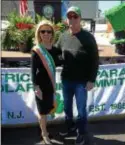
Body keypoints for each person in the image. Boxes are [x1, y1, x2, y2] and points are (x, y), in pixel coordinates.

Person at [55, 6, 99, 145]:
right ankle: (70, 128)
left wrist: (91, 80)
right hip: (66, 79)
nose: (72, 19)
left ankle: (82, 133)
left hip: (81, 82)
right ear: (67, 19)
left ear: (80, 19)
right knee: (67, 108)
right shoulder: (63, 36)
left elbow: (95, 59)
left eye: (75, 17)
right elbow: (56, 55)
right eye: (70, 17)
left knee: (81, 110)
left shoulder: (88, 37)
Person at [31, 20, 62, 145]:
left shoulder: (55, 50)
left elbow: (62, 61)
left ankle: (45, 131)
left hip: (51, 85)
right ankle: (44, 134)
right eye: (43, 31)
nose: (46, 34)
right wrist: (35, 87)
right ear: (39, 33)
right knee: (42, 112)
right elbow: (33, 71)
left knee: (48, 110)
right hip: (41, 86)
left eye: (48, 31)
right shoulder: (36, 50)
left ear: (52, 33)